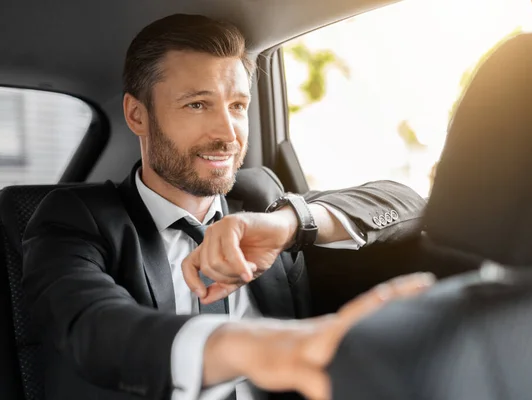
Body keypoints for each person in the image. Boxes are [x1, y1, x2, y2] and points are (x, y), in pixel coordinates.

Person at [21, 13, 427, 400]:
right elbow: (93, 328)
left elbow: (406, 204)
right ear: (136, 115)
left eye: (237, 105)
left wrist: (291, 224)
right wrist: (255, 348)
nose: (227, 133)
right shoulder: (76, 217)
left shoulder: (261, 202)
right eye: (198, 104)